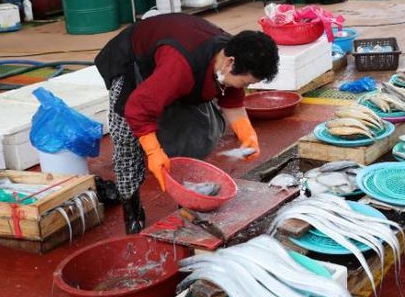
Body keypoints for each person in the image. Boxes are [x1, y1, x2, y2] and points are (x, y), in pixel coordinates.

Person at [95, 13, 279, 234]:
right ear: (230, 63)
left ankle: (187, 196)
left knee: (195, 131)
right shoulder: (180, 66)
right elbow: (137, 108)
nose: (245, 87)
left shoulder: (231, 57)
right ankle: (131, 208)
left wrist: (246, 133)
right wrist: (153, 151)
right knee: (127, 138)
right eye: (246, 82)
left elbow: (231, 98)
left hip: (174, 64)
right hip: (133, 59)